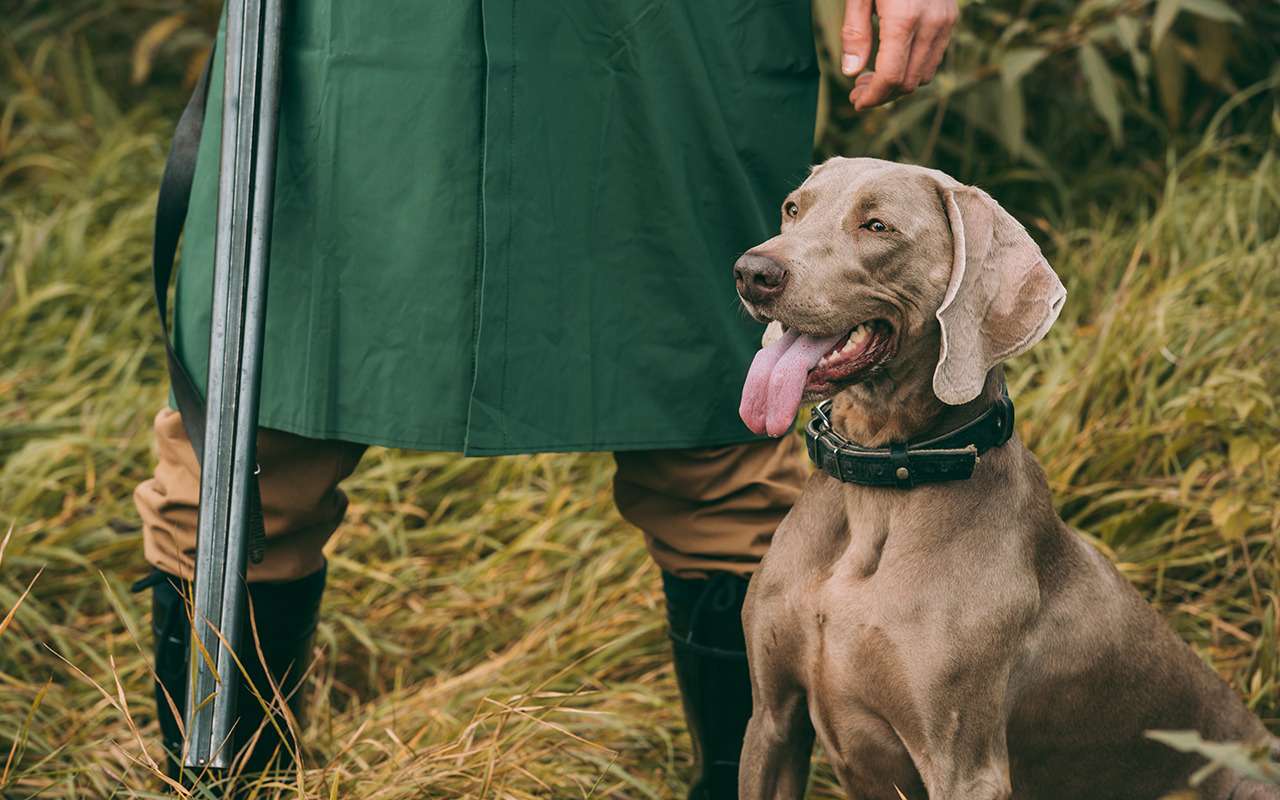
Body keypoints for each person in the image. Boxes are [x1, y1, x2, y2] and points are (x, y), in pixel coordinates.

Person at [132, 0, 957, 795]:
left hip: (663, 41)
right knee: (255, 444)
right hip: (367, 39)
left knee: (719, 440)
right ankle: (229, 791)